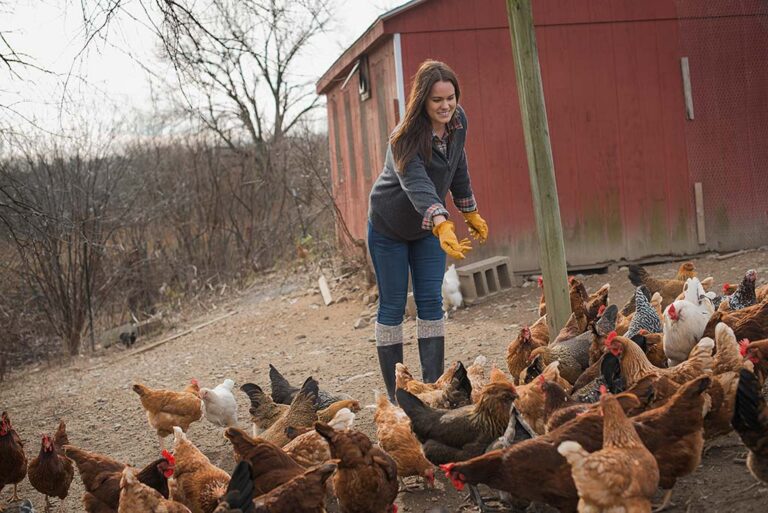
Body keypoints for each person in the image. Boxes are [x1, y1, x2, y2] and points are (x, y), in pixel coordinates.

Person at [367, 60, 489, 400]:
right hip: (389, 226)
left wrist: (469, 210)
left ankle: (432, 390)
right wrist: (442, 220)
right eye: (438, 100)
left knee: (431, 304)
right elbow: (417, 184)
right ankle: (398, 396)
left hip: (428, 230)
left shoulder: (458, 122)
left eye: (450, 97)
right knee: (392, 307)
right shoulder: (403, 138)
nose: (446, 105)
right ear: (423, 100)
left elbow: (456, 163)